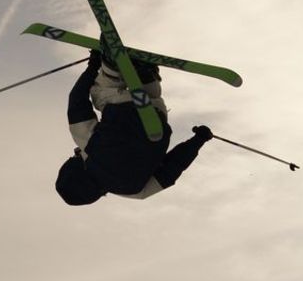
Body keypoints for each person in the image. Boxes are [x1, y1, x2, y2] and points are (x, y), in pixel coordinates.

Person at [55, 49, 213, 205]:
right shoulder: (88, 148)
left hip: (156, 119)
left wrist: (198, 140)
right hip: (124, 109)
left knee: (152, 102)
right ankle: (112, 68)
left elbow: (170, 170)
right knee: (99, 94)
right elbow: (77, 103)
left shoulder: (136, 192)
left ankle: (148, 78)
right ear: (75, 170)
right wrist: (93, 65)